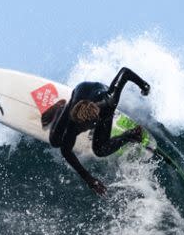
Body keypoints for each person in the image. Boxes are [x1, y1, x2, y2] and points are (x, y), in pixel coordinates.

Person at [41, 67, 150, 196]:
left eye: (82, 128)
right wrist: (89, 179)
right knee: (55, 141)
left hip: (99, 93)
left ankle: (130, 135)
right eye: (79, 127)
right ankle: (60, 107)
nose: (79, 130)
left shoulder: (110, 101)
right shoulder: (74, 120)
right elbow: (66, 150)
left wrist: (144, 85)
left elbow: (125, 72)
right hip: (80, 91)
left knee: (100, 150)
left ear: (93, 122)